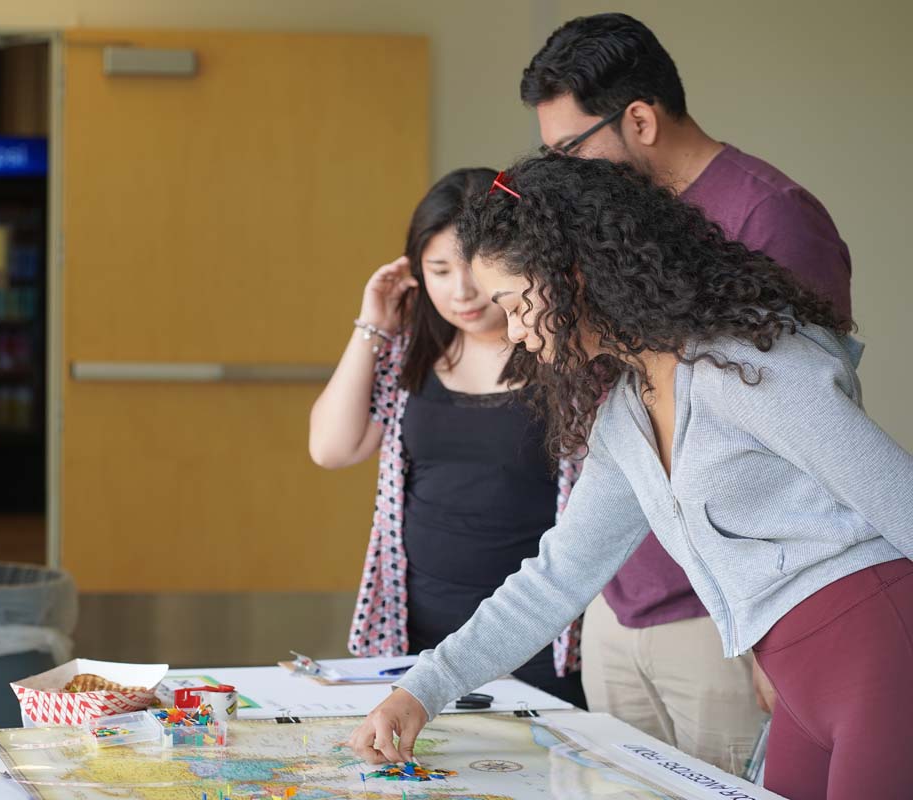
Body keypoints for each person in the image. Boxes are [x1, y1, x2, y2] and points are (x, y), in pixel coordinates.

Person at [349, 154, 913, 800]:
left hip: (884, 652)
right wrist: (423, 689)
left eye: (511, 301)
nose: (513, 330)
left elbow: (899, 497)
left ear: (572, 275)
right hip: (800, 689)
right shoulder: (625, 418)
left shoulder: (744, 368)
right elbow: (557, 576)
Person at [517, 11, 852, 771]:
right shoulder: (605, 219)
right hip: (620, 592)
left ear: (639, 119)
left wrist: (784, 639)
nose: (564, 173)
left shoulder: (770, 216)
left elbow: (814, 433)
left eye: (570, 149)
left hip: (724, 616)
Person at [309, 168, 585, 707]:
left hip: (537, 631)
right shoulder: (408, 353)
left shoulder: (563, 354)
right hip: (419, 627)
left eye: (473, 270)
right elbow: (331, 448)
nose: (460, 292)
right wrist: (372, 324)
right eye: (437, 270)